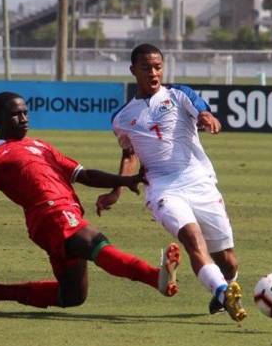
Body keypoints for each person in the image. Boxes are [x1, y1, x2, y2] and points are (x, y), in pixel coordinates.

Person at [0, 91, 182, 313]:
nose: (23, 119)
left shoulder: (40, 146)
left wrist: (125, 180)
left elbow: (84, 175)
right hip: (50, 216)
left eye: (25, 113)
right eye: (15, 115)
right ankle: (154, 277)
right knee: (95, 243)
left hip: (65, 217)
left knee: (72, 296)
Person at [95, 43, 246, 322]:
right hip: (163, 189)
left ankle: (226, 286)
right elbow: (129, 154)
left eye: (158, 67)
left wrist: (207, 116)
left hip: (199, 182)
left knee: (227, 259)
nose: (153, 73)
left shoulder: (179, 94)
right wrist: (117, 189)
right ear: (133, 71)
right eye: (146, 68)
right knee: (192, 239)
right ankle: (224, 291)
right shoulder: (122, 118)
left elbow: (201, 110)